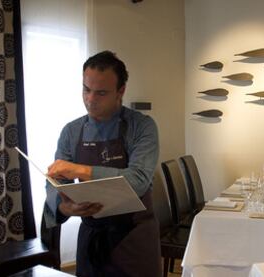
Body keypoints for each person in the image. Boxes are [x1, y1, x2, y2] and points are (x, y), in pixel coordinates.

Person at [44, 50, 161, 277]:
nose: (90, 99)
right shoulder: (71, 132)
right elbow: (54, 185)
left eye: (101, 93)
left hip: (134, 239)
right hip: (92, 238)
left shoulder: (142, 127)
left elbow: (137, 181)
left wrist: (79, 170)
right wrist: (63, 206)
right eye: (86, 90)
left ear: (121, 91)